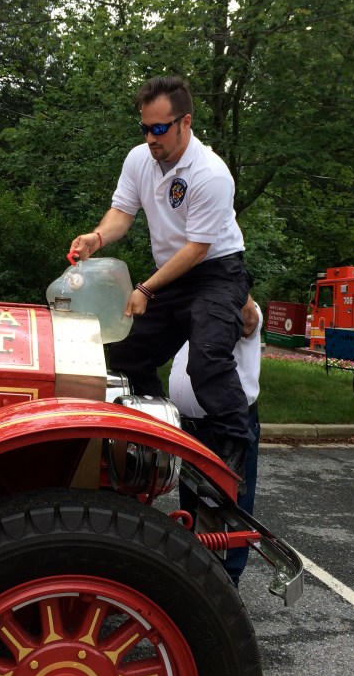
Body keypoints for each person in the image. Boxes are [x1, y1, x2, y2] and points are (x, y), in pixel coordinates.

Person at [69, 75, 252, 475]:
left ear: (185, 122)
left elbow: (197, 249)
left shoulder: (211, 174)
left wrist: (146, 289)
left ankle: (234, 444)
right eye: (145, 128)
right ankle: (161, 434)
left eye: (159, 129)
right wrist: (96, 238)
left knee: (205, 360)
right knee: (126, 354)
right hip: (171, 274)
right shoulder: (139, 160)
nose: (151, 138)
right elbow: (122, 213)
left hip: (216, 273)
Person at [169, 297, 262, 588]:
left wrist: (224, 273)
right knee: (193, 505)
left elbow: (248, 319)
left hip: (226, 427)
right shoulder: (200, 311)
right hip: (191, 428)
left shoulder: (244, 308)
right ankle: (199, 578)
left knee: (230, 507)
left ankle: (227, 585)